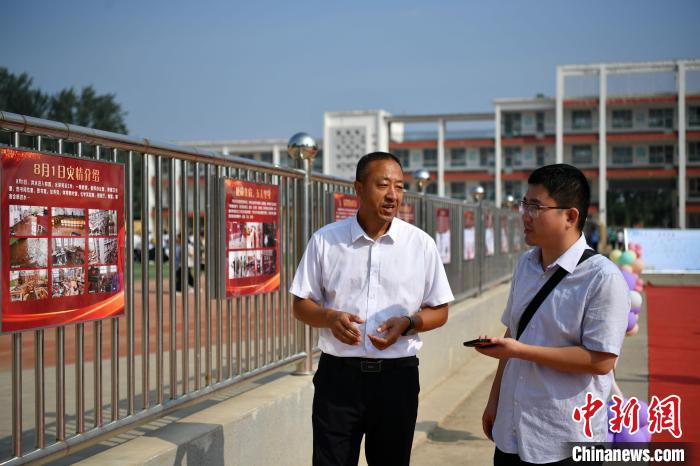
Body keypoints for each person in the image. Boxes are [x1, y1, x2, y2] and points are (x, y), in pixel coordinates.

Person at [290, 152, 454, 466]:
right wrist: (329, 317)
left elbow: (440, 310)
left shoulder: (420, 245)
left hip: (397, 380)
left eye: (400, 186)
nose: (393, 195)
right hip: (338, 380)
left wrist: (408, 323)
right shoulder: (326, 241)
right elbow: (301, 305)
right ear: (359, 188)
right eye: (383, 185)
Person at [474, 164, 629, 465]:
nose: (525, 215)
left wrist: (520, 351)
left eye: (536, 207)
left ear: (570, 216)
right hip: (512, 430)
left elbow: (601, 360)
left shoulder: (602, 278)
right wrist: (495, 401)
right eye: (525, 204)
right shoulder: (525, 264)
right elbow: (514, 332)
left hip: (565, 438)